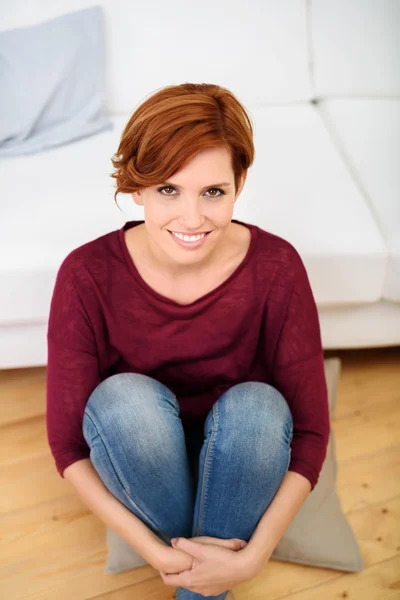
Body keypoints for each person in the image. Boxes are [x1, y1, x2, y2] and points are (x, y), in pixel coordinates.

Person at [46, 82, 330, 600]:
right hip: (144, 453)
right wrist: (163, 555)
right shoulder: (85, 273)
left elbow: (311, 434)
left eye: (213, 192)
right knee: (120, 401)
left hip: (244, 450)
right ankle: (201, 575)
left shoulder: (278, 266)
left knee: (262, 407)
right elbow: (68, 448)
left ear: (239, 183)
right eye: (169, 190)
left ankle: (204, 586)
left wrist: (252, 560)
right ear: (137, 186)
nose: (193, 219)